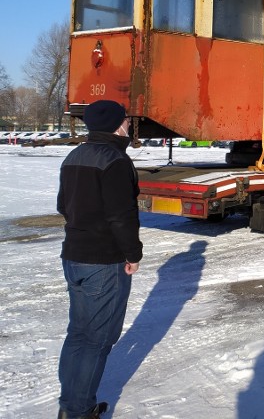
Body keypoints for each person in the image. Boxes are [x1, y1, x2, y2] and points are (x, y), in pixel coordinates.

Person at [57, 100, 143, 419]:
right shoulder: (115, 160)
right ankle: (77, 411)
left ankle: (71, 403)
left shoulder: (74, 156)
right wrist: (132, 254)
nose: (129, 126)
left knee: (79, 333)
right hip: (103, 261)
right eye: (126, 121)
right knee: (97, 339)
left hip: (74, 257)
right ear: (116, 125)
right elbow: (122, 216)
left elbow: (62, 205)